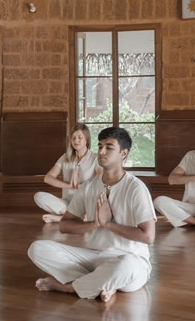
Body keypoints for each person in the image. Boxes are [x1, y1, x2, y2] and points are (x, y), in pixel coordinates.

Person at [27, 127, 156, 302]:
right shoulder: (89, 186)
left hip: (130, 259)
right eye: (100, 146)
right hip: (94, 257)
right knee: (37, 248)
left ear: (123, 153)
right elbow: (65, 225)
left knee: (125, 266)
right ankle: (104, 284)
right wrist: (95, 223)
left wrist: (108, 224)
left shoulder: (135, 188)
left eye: (109, 147)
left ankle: (70, 288)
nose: (101, 151)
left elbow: (148, 236)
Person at [34, 123, 100, 224]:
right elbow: (48, 178)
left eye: (79, 137)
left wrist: (82, 185)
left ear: (86, 139)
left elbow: (102, 178)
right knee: (38, 196)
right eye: (73, 138)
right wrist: (68, 185)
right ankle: (74, 217)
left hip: (86, 203)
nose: (76, 141)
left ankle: (62, 218)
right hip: (67, 203)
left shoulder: (95, 158)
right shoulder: (65, 157)